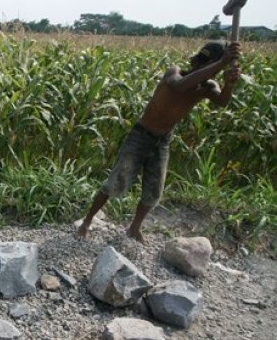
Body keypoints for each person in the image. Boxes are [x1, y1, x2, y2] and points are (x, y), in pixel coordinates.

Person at [77, 40, 241, 243]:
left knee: (154, 189)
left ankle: (134, 229)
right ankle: (87, 221)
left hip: (162, 140)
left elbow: (222, 101)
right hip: (141, 135)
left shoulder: (207, 86)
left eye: (218, 68)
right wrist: (221, 63)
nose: (214, 72)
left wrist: (229, 84)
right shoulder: (175, 73)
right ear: (200, 62)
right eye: (213, 66)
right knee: (116, 180)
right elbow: (180, 88)